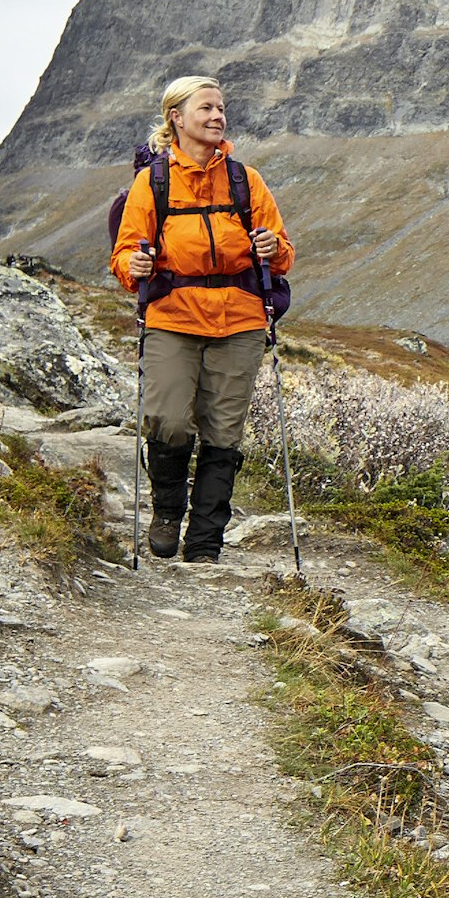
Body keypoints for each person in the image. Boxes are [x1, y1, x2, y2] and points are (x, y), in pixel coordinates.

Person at [112, 74, 294, 564]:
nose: (218, 116)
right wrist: (135, 266)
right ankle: (168, 512)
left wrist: (273, 249)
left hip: (240, 322)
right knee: (167, 420)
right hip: (173, 318)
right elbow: (125, 251)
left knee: (223, 432)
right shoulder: (153, 182)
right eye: (206, 108)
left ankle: (206, 543)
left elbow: (283, 253)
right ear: (176, 117)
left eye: (221, 108)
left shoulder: (245, 180)